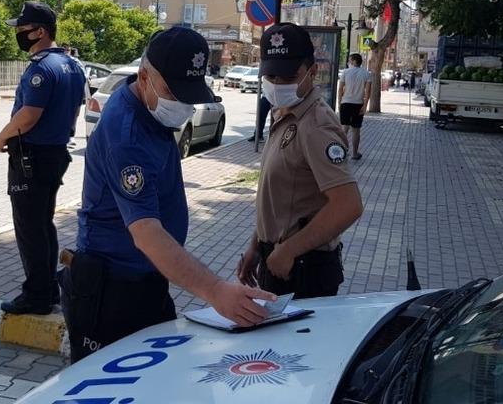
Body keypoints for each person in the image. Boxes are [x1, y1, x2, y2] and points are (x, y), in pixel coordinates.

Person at [60, 27, 276, 362]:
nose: (181, 104)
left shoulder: (145, 105)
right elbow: (147, 234)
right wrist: (216, 291)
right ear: (144, 76)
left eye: (188, 94)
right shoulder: (126, 134)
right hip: (110, 291)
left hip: (146, 281)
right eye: (173, 92)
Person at [237, 23, 363, 299]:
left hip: (304, 269)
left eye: (288, 76)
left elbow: (348, 205)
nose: (278, 84)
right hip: (281, 260)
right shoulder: (285, 113)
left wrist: (288, 250)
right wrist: (256, 246)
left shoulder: (316, 125)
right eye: (270, 75)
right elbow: (279, 199)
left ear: (312, 72)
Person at [0, 1, 86, 315]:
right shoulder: (73, 66)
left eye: (23, 29)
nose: (19, 34)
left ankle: (36, 295)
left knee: (30, 228)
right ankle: (48, 290)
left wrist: (2, 136)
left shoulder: (41, 68)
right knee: (43, 224)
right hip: (56, 154)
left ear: (41, 31)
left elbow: (29, 115)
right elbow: (74, 110)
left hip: (30, 157)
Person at [338, 53, 372, 160]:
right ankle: (354, 153)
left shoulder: (345, 72)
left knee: (344, 129)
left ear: (353, 61)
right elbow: (368, 92)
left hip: (346, 103)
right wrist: (365, 106)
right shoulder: (366, 73)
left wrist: (339, 103)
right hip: (358, 104)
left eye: (349, 60)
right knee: (356, 130)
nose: (348, 62)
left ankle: (342, 151)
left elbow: (340, 89)